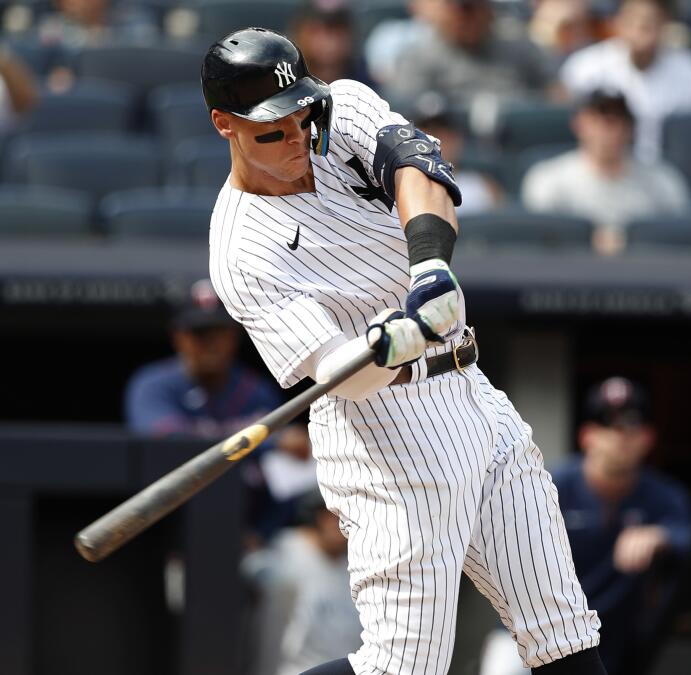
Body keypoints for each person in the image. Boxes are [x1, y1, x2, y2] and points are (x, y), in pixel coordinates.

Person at [202, 28, 604, 675]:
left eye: (302, 116)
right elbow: (345, 380)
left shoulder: (346, 108)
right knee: (402, 666)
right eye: (272, 130)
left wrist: (428, 272)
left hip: (472, 393)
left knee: (565, 634)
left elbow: (422, 171)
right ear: (225, 124)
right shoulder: (240, 250)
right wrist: (388, 341)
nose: (298, 137)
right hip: (384, 438)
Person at [480, 377, 691, 675]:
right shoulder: (552, 484)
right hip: (529, 630)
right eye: (608, 425)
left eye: (631, 425)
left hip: (610, 639)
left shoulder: (662, 497)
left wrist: (660, 535)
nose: (620, 436)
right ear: (587, 435)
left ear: (648, 437)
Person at [124, 279, 315, 545]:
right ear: (178, 337)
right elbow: (172, 446)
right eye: (199, 334)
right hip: (170, 535)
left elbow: (282, 477)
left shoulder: (256, 391)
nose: (210, 343)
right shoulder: (153, 386)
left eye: (217, 332)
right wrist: (269, 442)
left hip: (247, 534)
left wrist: (263, 532)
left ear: (233, 336)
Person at [522, 90, 691, 254]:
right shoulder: (548, 178)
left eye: (616, 120)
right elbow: (541, 243)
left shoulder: (662, 181)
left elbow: (677, 240)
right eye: (597, 118)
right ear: (578, 124)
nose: (607, 129)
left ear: (630, 128)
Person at [559, 0, 691, 160]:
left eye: (651, 20)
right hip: (604, 168)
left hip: (667, 168)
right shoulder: (585, 66)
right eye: (633, 18)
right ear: (617, 21)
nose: (641, 25)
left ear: (665, 23)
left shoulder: (690, 68)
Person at [243, 490, 363, 675]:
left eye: (350, 516)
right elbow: (249, 568)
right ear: (315, 517)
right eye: (333, 516)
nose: (341, 525)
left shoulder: (356, 566)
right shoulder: (288, 550)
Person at [377, 0, 557, 107]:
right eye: (462, 10)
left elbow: (555, 92)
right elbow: (407, 112)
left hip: (517, 136)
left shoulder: (516, 41)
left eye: (476, 7)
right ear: (445, 12)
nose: (470, 17)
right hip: (450, 147)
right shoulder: (420, 54)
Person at [411, 95, 504, 214]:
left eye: (442, 132)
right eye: (425, 132)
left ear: (458, 139)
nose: (433, 140)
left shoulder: (485, 189)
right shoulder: (397, 190)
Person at [288, 0, 372, 87]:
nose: (326, 40)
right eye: (316, 30)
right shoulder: (282, 83)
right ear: (300, 32)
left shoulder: (367, 88)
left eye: (336, 30)